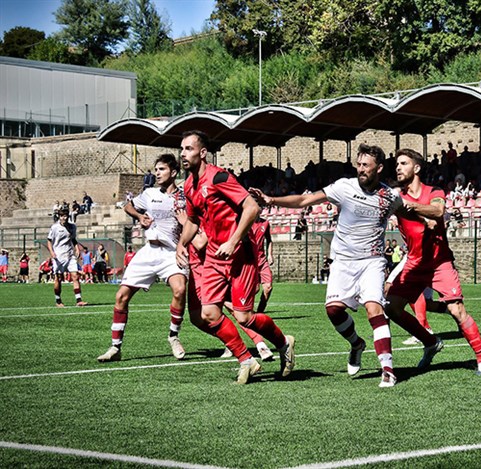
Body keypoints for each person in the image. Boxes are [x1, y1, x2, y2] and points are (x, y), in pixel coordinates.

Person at [252, 143, 410, 387]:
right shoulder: (343, 187)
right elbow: (305, 199)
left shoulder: (390, 196)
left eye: (366, 166)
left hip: (372, 261)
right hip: (343, 261)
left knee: (374, 310)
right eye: (358, 165)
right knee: (333, 310)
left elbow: (410, 215)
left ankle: (387, 369)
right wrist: (270, 199)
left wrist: (433, 219)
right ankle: (357, 344)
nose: (360, 170)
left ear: (379, 168)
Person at [175, 130, 295, 384]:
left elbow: (251, 207)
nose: (183, 154)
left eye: (189, 149)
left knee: (244, 317)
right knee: (208, 314)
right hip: (215, 257)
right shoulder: (188, 185)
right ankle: (246, 359)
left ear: (203, 152)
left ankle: (284, 343)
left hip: (241, 256)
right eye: (182, 149)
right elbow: (194, 221)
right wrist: (181, 244)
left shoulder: (219, 177)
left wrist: (233, 240)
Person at [386, 148, 481, 376]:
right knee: (392, 308)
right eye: (397, 164)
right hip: (414, 263)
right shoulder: (397, 198)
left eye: (403, 163)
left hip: (439, 262)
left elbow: (438, 210)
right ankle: (430, 341)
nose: (398, 167)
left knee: (457, 310)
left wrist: (410, 207)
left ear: (416, 168)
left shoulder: (433, 191)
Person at [97, 154, 190, 363]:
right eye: (156, 169)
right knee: (121, 296)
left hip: (172, 252)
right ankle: (115, 347)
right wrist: (139, 217)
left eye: (162, 169)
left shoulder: (184, 197)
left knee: (180, 289)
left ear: (173, 173)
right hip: (149, 250)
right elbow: (127, 205)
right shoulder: (149, 194)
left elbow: (194, 222)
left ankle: (173, 336)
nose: (157, 173)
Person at [221, 204, 277, 361]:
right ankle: (239, 341)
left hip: (257, 259)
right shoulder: (242, 221)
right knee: (234, 305)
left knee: (266, 288)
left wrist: (270, 254)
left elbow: (269, 240)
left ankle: (258, 318)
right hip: (242, 260)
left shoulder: (264, 223)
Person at [47, 209, 88, 307]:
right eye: (62, 216)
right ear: (59, 217)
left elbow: (73, 239)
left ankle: (79, 300)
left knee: (75, 276)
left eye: (65, 216)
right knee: (58, 278)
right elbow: (49, 241)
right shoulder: (55, 227)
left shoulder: (72, 227)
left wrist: (77, 248)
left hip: (69, 255)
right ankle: (58, 301)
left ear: (68, 217)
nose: (63, 218)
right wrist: (52, 252)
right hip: (58, 256)